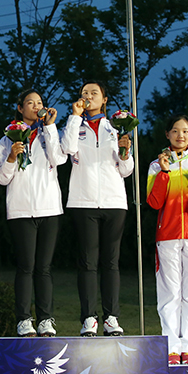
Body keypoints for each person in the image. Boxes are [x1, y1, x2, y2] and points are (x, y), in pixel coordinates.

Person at [60, 81, 133, 337]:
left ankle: (111, 318)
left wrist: (125, 152)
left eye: (94, 93)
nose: (88, 96)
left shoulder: (116, 129)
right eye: (84, 93)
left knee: (111, 262)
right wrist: (74, 117)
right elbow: (67, 149)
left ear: (104, 99)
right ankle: (89, 318)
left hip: (114, 202)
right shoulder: (74, 126)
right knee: (88, 262)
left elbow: (126, 170)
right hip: (83, 201)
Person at [0, 89, 66, 337]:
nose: (35, 106)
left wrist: (51, 127)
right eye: (29, 103)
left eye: (39, 103)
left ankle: (46, 319)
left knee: (44, 268)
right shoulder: (7, 139)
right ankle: (24, 319)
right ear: (19, 107)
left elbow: (59, 159)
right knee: (26, 267)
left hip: (49, 208)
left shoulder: (48, 133)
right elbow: (2, 178)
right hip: (21, 210)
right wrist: (12, 156)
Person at [146, 114, 188, 365]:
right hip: (168, 236)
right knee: (170, 294)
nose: (180, 135)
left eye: (185, 131)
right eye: (175, 131)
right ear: (167, 134)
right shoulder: (157, 165)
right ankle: (172, 347)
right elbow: (154, 203)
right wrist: (164, 173)